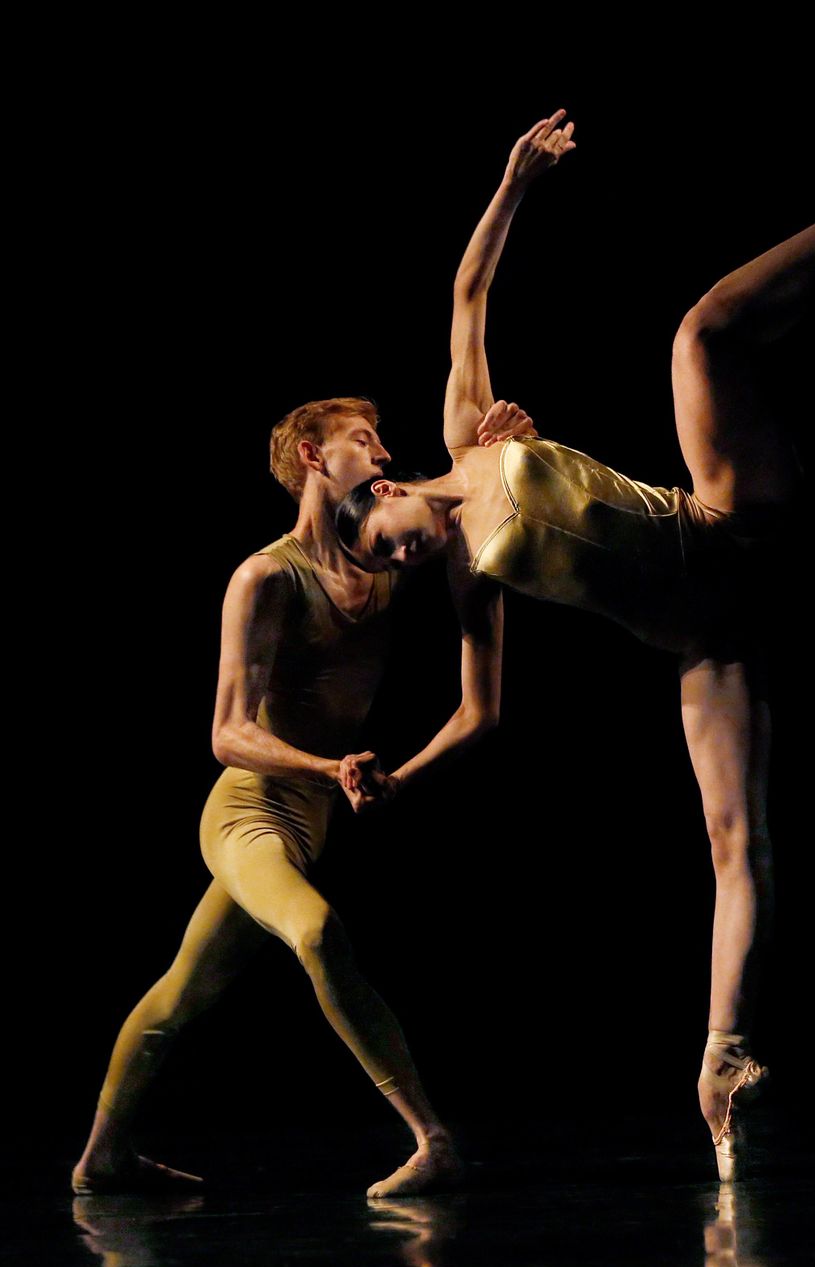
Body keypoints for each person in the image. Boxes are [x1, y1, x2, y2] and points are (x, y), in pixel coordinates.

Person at [335, 109, 815, 1179]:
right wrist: (404, 777)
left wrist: (513, 179)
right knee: (732, 849)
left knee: (696, 331)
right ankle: (723, 1071)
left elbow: (467, 293)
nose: (398, 561)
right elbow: (480, 713)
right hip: (709, 639)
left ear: (386, 493)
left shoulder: (469, 429)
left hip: (721, 519)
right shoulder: (471, 579)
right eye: (386, 570)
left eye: (383, 544)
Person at [72, 391, 536, 1201]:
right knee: (316, 931)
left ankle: (102, 1158)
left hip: (313, 817)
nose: (384, 455)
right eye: (364, 440)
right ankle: (431, 1139)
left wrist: (510, 447)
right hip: (250, 808)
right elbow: (226, 733)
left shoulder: (390, 549)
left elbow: (468, 490)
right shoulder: (266, 576)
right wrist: (328, 771)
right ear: (317, 460)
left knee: (183, 991)